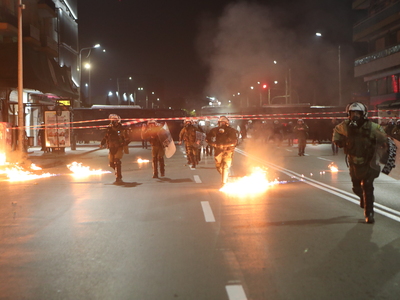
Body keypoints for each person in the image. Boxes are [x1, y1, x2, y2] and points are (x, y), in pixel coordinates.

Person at [333, 102, 388, 224]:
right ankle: (364, 199)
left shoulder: (372, 127)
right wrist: (338, 141)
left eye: (358, 113)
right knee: (356, 187)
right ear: (349, 114)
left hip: (369, 162)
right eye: (353, 113)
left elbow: (384, 138)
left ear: (364, 114)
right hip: (353, 162)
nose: (356, 115)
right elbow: (336, 133)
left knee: (368, 187)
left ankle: (369, 214)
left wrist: (382, 145)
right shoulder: (345, 126)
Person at [206, 116, 238, 186]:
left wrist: (227, 145)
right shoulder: (215, 130)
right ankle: (225, 175)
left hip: (228, 150)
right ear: (219, 123)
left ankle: (223, 182)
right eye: (221, 122)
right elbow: (208, 138)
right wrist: (213, 144)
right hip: (218, 151)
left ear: (227, 123)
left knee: (225, 166)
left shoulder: (231, 131)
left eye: (224, 122)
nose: (223, 124)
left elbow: (235, 141)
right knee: (218, 166)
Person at [100, 114, 130, 182]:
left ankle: (118, 176)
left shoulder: (122, 129)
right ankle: (117, 171)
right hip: (111, 147)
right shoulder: (109, 129)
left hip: (119, 147)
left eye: (115, 120)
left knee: (117, 161)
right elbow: (106, 137)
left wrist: (124, 143)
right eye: (113, 120)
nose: (114, 122)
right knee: (111, 164)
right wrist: (102, 143)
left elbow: (128, 138)